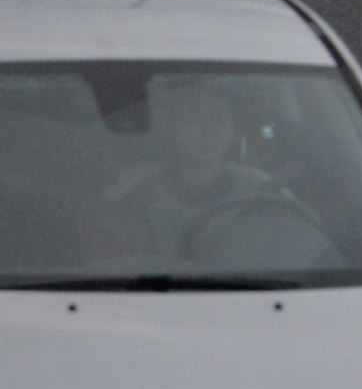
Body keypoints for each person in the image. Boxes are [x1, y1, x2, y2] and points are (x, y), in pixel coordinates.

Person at [99, 80, 339, 271]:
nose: (208, 132)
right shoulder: (133, 188)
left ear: (233, 133)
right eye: (194, 120)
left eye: (219, 121)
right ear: (172, 128)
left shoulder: (265, 190)